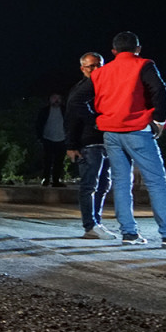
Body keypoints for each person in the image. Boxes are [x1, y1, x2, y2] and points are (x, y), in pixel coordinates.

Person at [93, 31, 166, 248]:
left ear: (113, 51)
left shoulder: (101, 72)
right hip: (137, 130)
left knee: (121, 183)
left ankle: (129, 233)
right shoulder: (143, 65)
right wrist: (159, 119)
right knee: (156, 182)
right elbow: (159, 89)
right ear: (138, 49)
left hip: (110, 132)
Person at [64, 52, 113, 239]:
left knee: (103, 184)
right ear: (83, 68)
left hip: (103, 142)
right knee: (89, 185)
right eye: (91, 66)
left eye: (98, 65)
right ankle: (90, 225)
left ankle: (96, 223)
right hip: (89, 143)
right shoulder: (83, 88)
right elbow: (71, 117)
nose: (95, 69)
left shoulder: (101, 85)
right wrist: (71, 145)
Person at [35, 92, 67, 186]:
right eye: (54, 98)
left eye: (58, 98)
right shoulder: (44, 111)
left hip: (62, 138)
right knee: (47, 160)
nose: (56, 100)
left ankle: (56, 180)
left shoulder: (65, 110)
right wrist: (40, 137)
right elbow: (39, 124)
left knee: (59, 161)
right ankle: (46, 179)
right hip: (47, 138)